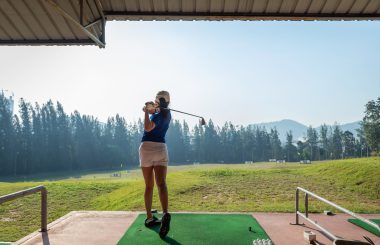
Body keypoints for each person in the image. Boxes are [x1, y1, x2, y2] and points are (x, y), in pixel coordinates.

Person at [139, 90, 172, 239]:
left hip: (147, 148)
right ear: (168, 102)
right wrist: (151, 108)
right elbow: (157, 110)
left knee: (149, 185)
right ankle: (165, 213)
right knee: (162, 183)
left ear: (158, 101)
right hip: (160, 149)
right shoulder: (167, 114)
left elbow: (147, 127)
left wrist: (146, 112)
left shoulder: (157, 114)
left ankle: (150, 217)